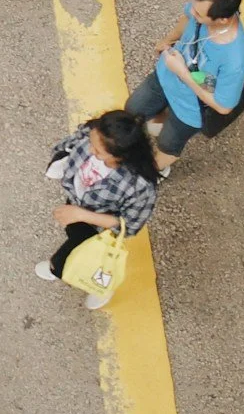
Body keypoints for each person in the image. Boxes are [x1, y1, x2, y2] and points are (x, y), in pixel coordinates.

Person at [127, 0, 244, 172]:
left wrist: (183, 74)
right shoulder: (199, 9)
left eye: (199, 14)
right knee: (133, 110)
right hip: (165, 76)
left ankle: (153, 171)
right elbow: (185, 19)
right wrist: (167, 40)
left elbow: (224, 107)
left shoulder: (235, 58)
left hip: (190, 108)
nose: (193, 13)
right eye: (193, 6)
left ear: (223, 19)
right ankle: (158, 121)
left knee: (168, 144)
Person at [37, 111, 160, 307]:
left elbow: (129, 225)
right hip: (77, 206)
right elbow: (70, 144)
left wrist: (81, 214)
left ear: (121, 156)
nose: (90, 150)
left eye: (98, 151)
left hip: (99, 228)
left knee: (81, 256)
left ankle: (89, 283)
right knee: (74, 236)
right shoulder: (94, 132)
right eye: (92, 143)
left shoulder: (140, 186)